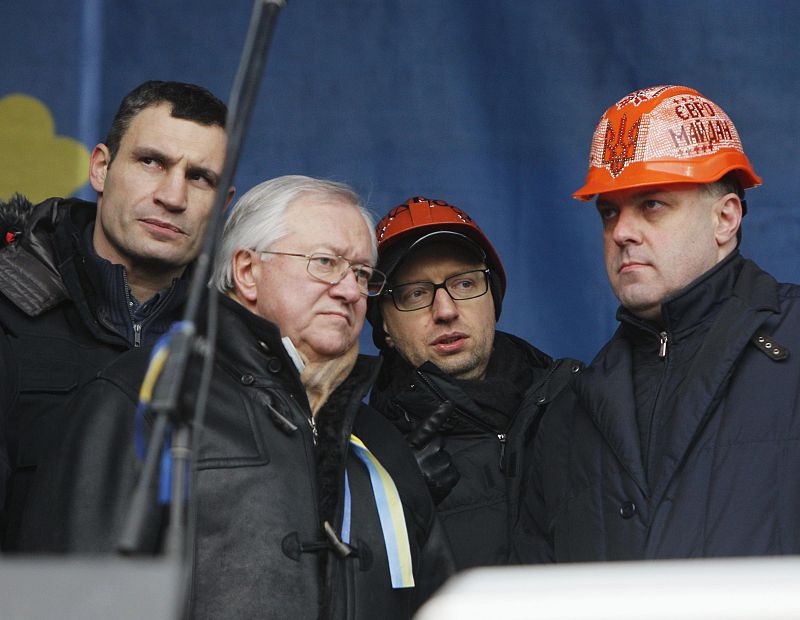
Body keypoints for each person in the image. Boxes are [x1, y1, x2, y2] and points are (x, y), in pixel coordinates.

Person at [21, 176, 454, 619]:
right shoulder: (143, 401)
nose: (348, 291)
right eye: (326, 263)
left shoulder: (380, 443)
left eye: (362, 274)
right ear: (247, 271)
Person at [526, 84, 800, 561]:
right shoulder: (568, 413)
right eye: (608, 212)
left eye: (652, 204)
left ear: (725, 218)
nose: (622, 232)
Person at [0, 80, 230, 548]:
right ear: (101, 168)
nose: (173, 196)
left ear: (224, 206)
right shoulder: (8, 302)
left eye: (200, 177)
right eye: (152, 162)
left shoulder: (237, 347)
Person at [366, 196, 581, 569]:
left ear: (493, 301)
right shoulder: (365, 456)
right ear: (383, 325)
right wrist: (388, 506)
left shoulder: (580, 402)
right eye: (415, 294)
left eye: (464, 284)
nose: (446, 310)